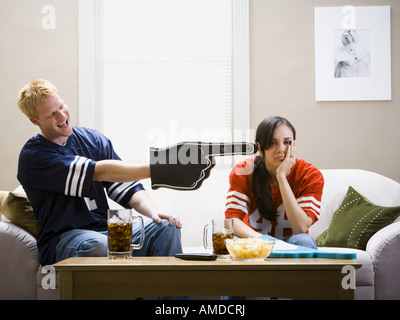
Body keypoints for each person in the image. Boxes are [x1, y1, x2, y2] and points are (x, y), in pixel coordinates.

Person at [17, 79, 183, 267]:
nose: (62, 115)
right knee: (99, 244)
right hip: (65, 239)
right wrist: (159, 169)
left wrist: (153, 212)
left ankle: (167, 295)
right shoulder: (34, 157)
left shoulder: (92, 140)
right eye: (52, 114)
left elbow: (127, 187)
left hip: (105, 230)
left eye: (62, 106)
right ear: (34, 120)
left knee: (166, 228)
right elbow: (98, 172)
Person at [225, 116, 324, 250]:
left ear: (294, 144)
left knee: (305, 241)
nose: (281, 149)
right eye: (272, 143)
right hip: (254, 240)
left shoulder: (309, 174)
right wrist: (263, 241)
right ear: (260, 148)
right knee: (232, 242)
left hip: (291, 241)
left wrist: (281, 176)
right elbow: (231, 221)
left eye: (287, 142)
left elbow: (300, 228)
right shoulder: (244, 171)